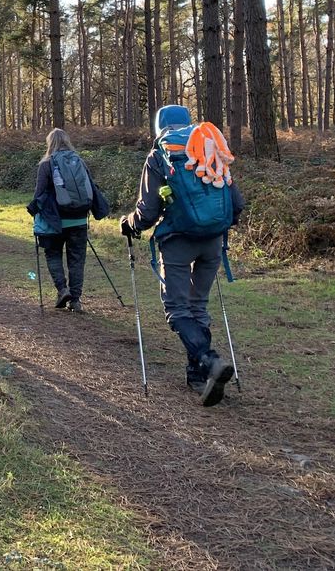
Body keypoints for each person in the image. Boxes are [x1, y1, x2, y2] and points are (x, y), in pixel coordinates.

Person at [121, 105, 245, 407]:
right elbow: (236, 203)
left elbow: (147, 212)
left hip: (178, 240)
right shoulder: (208, 146)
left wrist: (129, 224)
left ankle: (208, 360)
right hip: (213, 241)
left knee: (177, 309)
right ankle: (198, 376)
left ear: (158, 126)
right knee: (197, 305)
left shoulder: (159, 156)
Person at [27, 129, 109, 313]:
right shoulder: (79, 161)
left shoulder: (46, 164)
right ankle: (76, 300)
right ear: (67, 141)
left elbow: (38, 194)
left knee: (53, 254)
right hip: (79, 219)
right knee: (77, 260)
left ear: (50, 143)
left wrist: (34, 212)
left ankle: (63, 290)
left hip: (54, 222)